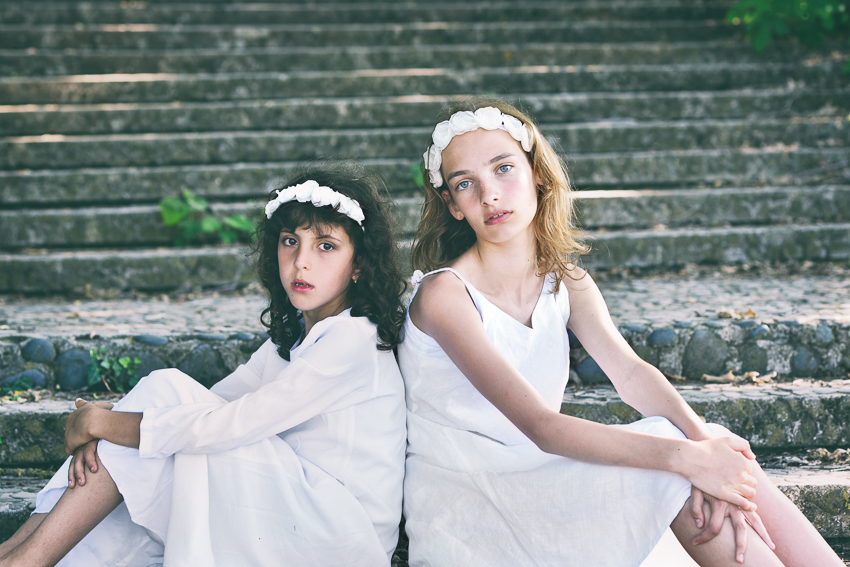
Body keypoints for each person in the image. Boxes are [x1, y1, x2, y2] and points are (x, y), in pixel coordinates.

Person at [399, 98, 843, 567]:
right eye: (465, 183)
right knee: (674, 463)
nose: (489, 194)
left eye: (503, 168)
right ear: (452, 205)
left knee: (715, 445)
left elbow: (630, 373)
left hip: (539, 478)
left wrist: (706, 448)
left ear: (538, 175)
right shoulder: (445, 296)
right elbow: (541, 428)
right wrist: (687, 458)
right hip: (474, 504)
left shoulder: (566, 281)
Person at [0, 162, 408, 567]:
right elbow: (207, 404)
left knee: (165, 399)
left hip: (337, 534)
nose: (301, 261)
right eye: (290, 241)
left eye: (326, 246)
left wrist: (104, 424)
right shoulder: (295, 335)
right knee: (161, 424)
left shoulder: (353, 338)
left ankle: (24, 560)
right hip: (294, 507)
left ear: (359, 264)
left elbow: (230, 424)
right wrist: (114, 428)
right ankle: (15, 555)